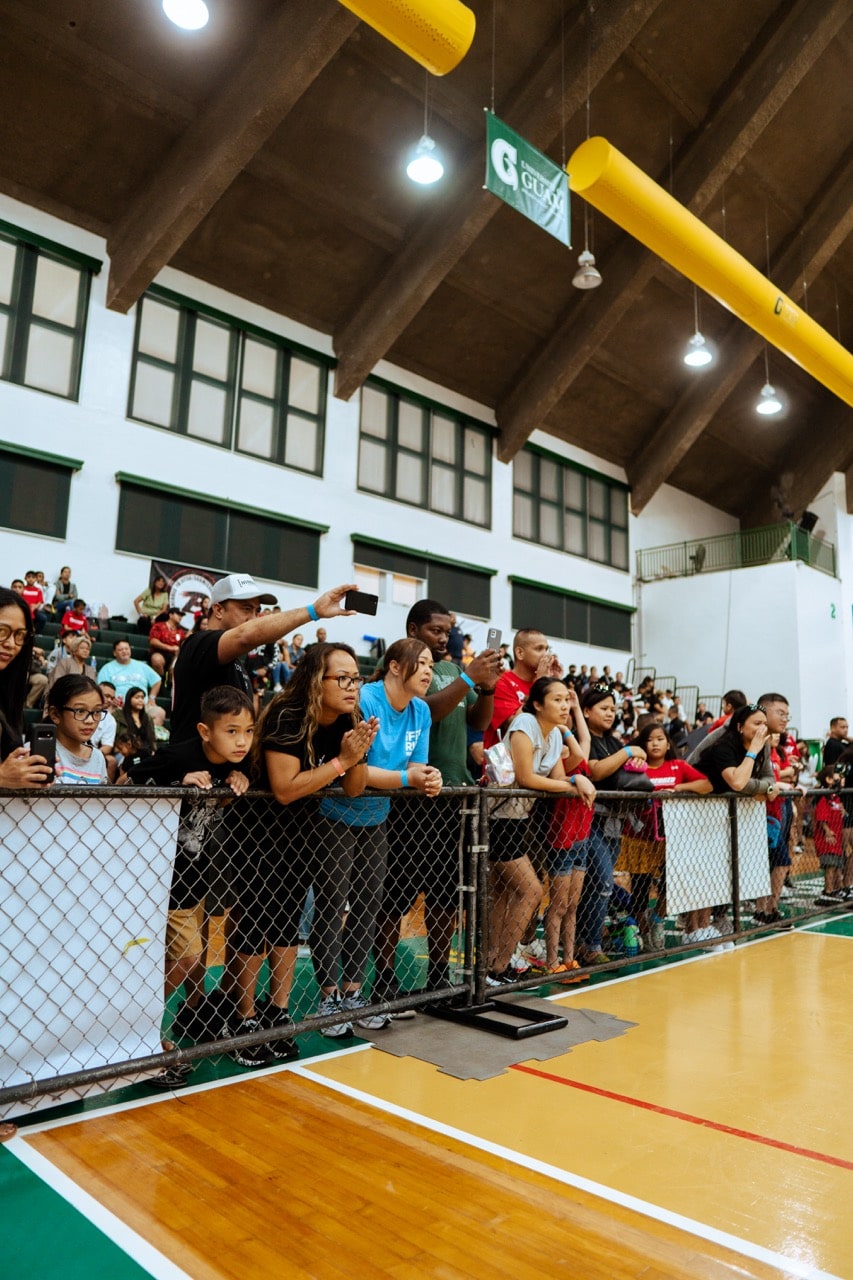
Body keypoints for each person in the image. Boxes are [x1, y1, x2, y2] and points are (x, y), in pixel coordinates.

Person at [234, 645, 378, 1065]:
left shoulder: (346, 720)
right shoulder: (287, 714)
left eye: (357, 679)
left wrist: (358, 755)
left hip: (302, 833)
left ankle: (276, 1013)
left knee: (285, 927)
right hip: (258, 833)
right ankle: (244, 1019)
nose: (353, 688)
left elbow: (353, 789)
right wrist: (341, 761)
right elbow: (284, 788)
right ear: (318, 679)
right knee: (254, 925)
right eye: (344, 679)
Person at [372, 598, 500, 1004]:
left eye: (448, 631)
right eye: (435, 631)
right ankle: (384, 975)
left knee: (446, 894)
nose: (445, 639)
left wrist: (488, 688)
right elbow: (421, 711)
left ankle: (440, 974)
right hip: (409, 797)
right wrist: (468, 678)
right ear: (413, 630)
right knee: (395, 894)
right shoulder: (404, 670)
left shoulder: (453, 671)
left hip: (452, 795)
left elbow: (477, 723)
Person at [126, 687, 256, 1087]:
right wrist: (176, 782)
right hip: (157, 879)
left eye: (248, 731)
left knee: (179, 957)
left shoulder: (233, 763)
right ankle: (139, 1026)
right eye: (231, 731)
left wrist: (237, 781)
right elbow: (129, 778)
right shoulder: (180, 755)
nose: (241, 741)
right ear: (204, 730)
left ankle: (143, 1028)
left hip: (192, 879)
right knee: (185, 958)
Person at [314, 638, 440, 1036]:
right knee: (333, 905)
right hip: (336, 813)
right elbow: (356, 770)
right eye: (420, 663)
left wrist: (428, 777)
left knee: (368, 906)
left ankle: (354, 994)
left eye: (432, 665)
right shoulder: (364, 701)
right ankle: (328, 999)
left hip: (377, 816)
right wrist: (408, 778)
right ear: (394, 667)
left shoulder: (420, 711)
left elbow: (416, 767)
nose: (428, 672)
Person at [169, 575, 357, 746]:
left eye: (257, 610)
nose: (253, 618)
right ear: (218, 610)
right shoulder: (197, 644)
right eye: (246, 608)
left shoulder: (236, 664)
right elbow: (245, 635)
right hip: (189, 774)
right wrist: (313, 611)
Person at [487, 678, 591, 982]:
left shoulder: (555, 736)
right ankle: (499, 966)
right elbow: (526, 777)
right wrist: (574, 783)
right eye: (557, 700)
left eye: (566, 700)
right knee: (531, 891)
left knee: (503, 893)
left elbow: (560, 776)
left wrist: (572, 777)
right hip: (497, 819)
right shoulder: (525, 724)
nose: (564, 706)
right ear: (537, 704)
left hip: (519, 821)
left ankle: (491, 962)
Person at [615, 721, 712, 950]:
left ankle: (657, 920)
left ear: (668, 743)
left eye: (660, 739)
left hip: (672, 838)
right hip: (639, 837)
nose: (655, 743)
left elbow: (706, 784)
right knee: (639, 887)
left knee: (673, 884)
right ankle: (644, 930)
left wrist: (677, 790)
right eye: (650, 739)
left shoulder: (678, 766)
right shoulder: (637, 765)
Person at [575, 683, 648, 966]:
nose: (609, 713)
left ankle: (585, 941)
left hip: (614, 823)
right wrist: (629, 751)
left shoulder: (614, 741)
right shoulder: (586, 739)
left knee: (597, 883)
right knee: (603, 881)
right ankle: (590, 945)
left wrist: (635, 758)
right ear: (586, 710)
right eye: (603, 708)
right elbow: (594, 769)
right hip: (591, 819)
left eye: (613, 709)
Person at [695, 702, 781, 927]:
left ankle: (715, 918)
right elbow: (737, 781)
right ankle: (695, 926)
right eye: (756, 723)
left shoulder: (764, 746)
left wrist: (765, 788)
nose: (762, 728)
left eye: (764, 723)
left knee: (725, 867)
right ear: (740, 727)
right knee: (703, 868)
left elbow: (769, 781)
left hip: (725, 812)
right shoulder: (724, 746)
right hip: (698, 810)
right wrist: (762, 787)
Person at [0, 587, 54, 789]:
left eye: (20, 635)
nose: (11, 644)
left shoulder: (8, 693)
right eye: (2, 631)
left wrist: (25, 771)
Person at [45, 674, 109, 785]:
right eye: (80, 711)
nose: (90, 720)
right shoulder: (36, 752)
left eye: (97, 712)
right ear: (55, 714)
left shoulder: (98, 758)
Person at [97, 637, 164, 726]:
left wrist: (152, 697)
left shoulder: (141, 666)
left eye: (126, 649)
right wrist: (112, 700)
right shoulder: (107, 669)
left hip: (142, 706)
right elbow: (101, 688)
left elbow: (157, 680)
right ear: (114, 653)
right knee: (106, 712)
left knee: (159, 712)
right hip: (118, 707)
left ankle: (147, 739)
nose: (124, 651)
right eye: (120, 649)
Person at [812, 765, 847, 906]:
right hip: (827, 838)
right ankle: (828, 891)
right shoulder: (823, 797)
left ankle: (835, 888)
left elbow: (839, 810)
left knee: (837, 864)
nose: (840, 778)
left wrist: (843, 810)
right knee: (830, 865)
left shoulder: (835, 797)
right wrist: (826, 830)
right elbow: (821, 816)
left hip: (836, 837)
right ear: (828, 779)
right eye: (837, 776)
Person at [45, 632, 97, 696]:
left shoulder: (91, 670)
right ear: (75, 650)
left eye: (87, 649)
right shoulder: (64, 663)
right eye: (82, 648)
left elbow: (93, 689)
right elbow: (56, 683)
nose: (85, 650)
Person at [113, 686, 157, 757]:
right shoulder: (118, 715)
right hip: (125, 752)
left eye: (142, 698)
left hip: (145, 752)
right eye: (137, 697)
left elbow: (152, 739)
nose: (140, 700)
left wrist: (153, 751)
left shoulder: (147, 718)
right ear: (129, 699)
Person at [148, 606, 185, 678]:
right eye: (178, 614)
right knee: (157, 660)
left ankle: (168, 683)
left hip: (175, 655)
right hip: (159, 652)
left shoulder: (180, 631)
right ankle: (161, 682)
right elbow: (153, 641)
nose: (180, 617)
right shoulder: (159, 626)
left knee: (178, 665)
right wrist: (170, 648)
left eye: (181, 615)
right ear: (170, 615)